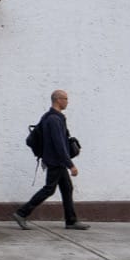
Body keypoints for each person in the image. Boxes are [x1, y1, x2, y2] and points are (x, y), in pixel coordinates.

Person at [14, 89, 89, 229]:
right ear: (58, 100)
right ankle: (21, 213)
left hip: (56, 160)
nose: (67, 102)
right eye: (65, 98)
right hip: (55, 160)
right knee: (49, 189)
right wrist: (70, 165)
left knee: (67, 188)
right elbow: (59, 144)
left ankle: (71, 221)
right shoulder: (53, 119)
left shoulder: (52, 117)